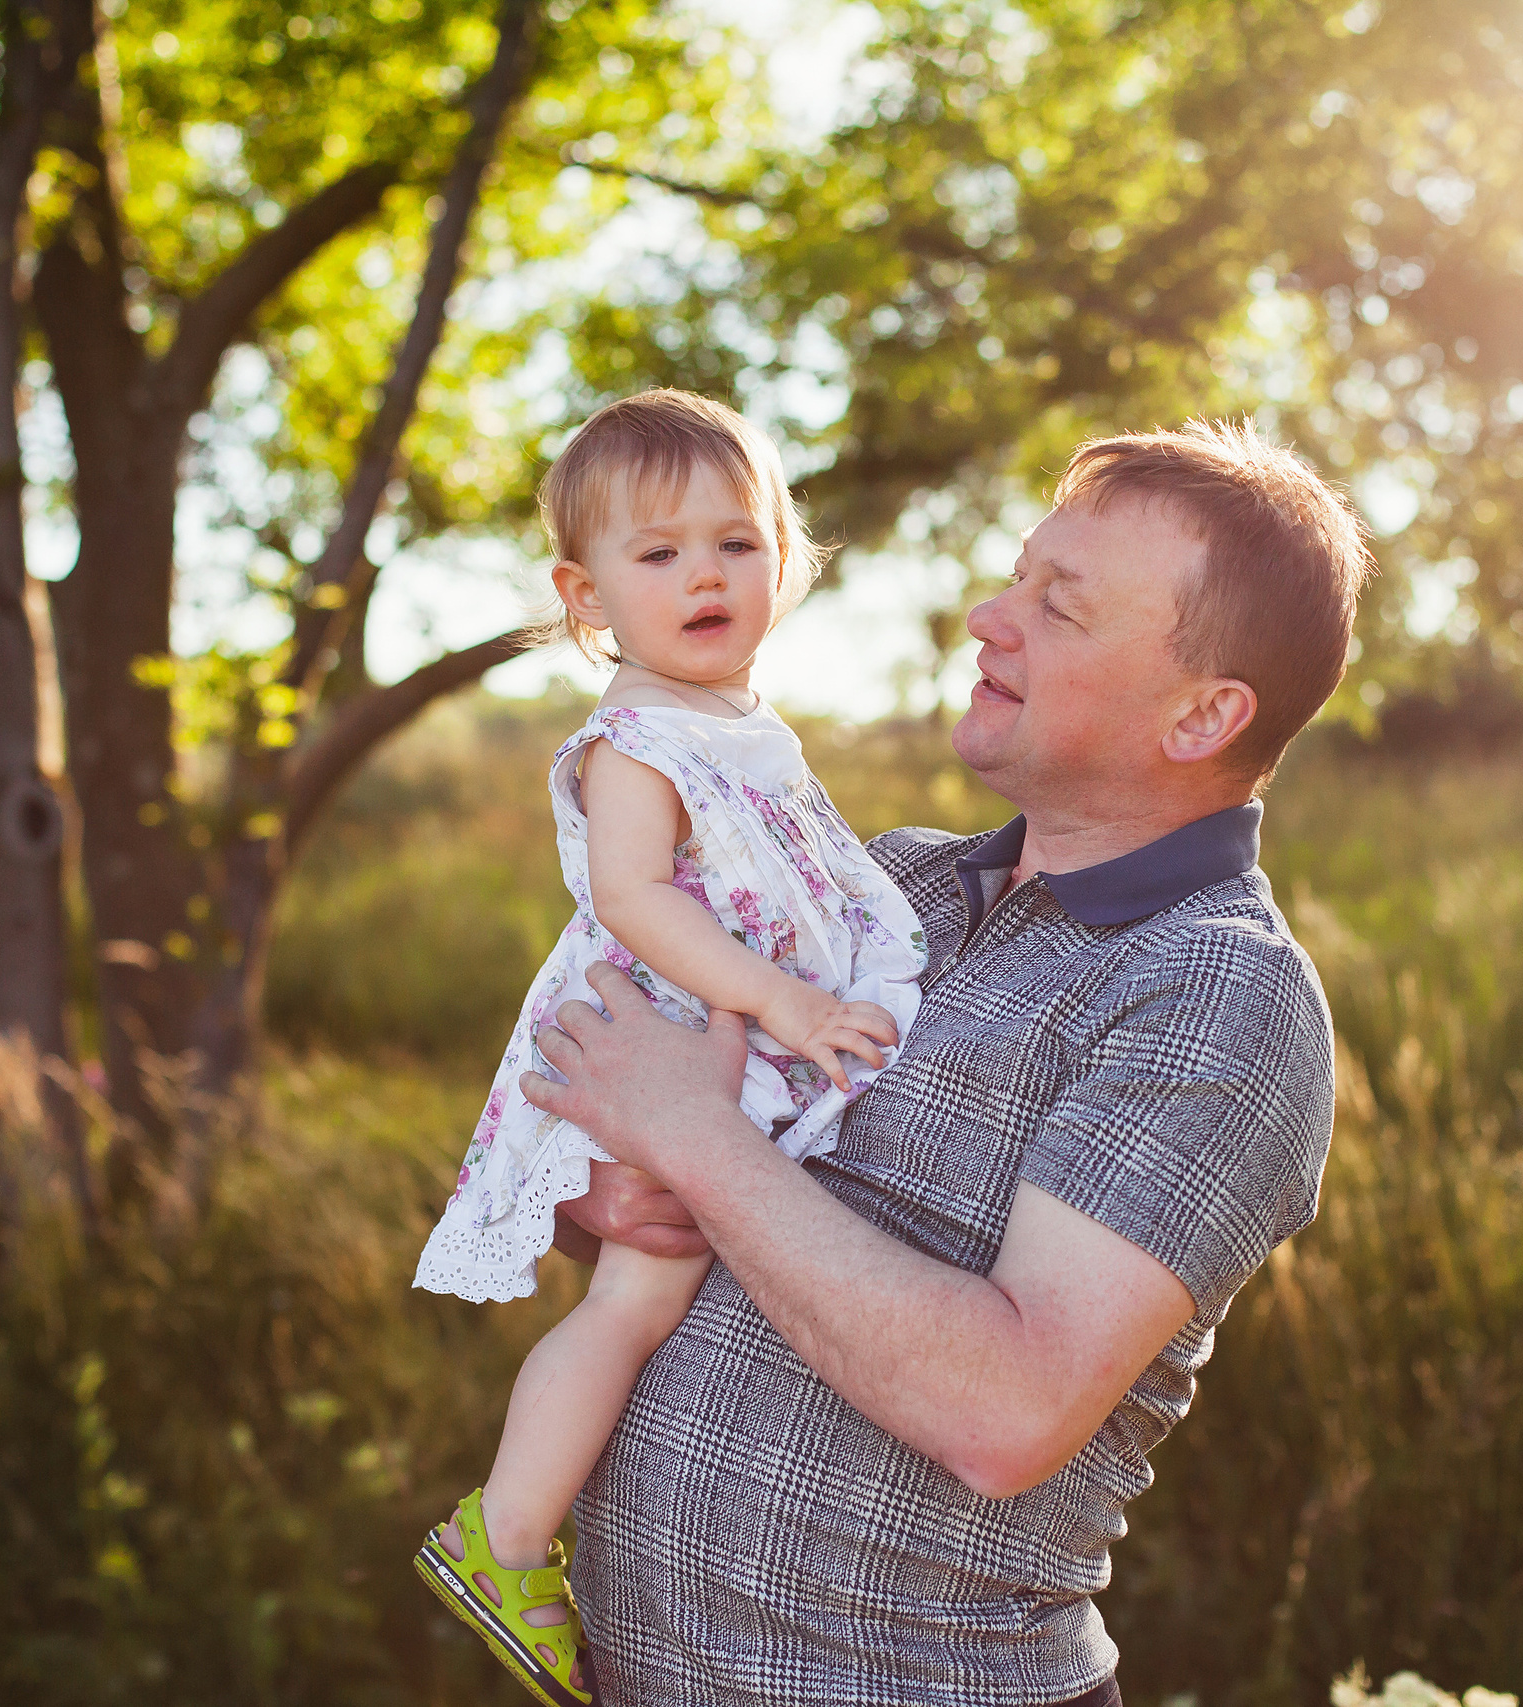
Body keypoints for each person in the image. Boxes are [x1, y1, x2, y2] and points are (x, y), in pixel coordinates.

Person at [528, 419, 1372, 1706]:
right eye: (1016, 574)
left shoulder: (1220, 994)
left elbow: (1008, 1412)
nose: (989, 614)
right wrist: (604, 1187)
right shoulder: (887, 885)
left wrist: (697, 1145)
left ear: (1203, 715)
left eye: (1060, 605)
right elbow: (634, 1134)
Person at [409, 389, 928, 1707]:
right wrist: (794, 1004)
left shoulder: (738, 723)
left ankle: (603, 1531)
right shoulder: (636, 739)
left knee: (686, 1293)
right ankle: (506, 1534)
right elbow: (636, 900)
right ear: (586, 597)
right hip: (665, 1034)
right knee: (635, 1297)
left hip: (718, 1034)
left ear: (787, 560)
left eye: (736, 542)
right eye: (659, 554)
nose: (705, 573)